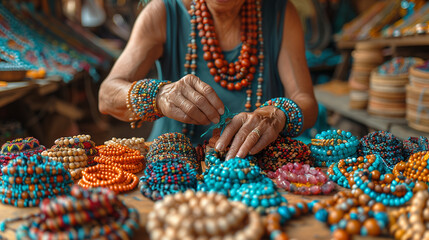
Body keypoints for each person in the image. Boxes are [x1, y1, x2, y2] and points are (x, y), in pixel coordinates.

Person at [99, 0, 318, 160]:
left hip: (251, 168)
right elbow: (107, 95)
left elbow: (305, 100)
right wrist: (158, 95)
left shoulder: (279, 14)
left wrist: (276, 115)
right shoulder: (163, 12)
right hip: (172, 167)